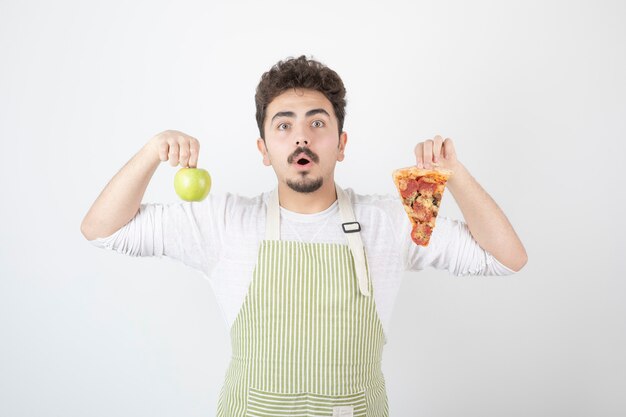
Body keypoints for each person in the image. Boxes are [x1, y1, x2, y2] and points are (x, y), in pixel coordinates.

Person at [81, 55, 527, 417]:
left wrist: (456, 175)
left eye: (317, 123)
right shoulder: (224, 223)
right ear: (264, 150)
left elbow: (506, 258)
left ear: (341, 142)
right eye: (283, 125)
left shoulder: (389, 222)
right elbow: (101, 230)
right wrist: (150, 151)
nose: (301, 138)